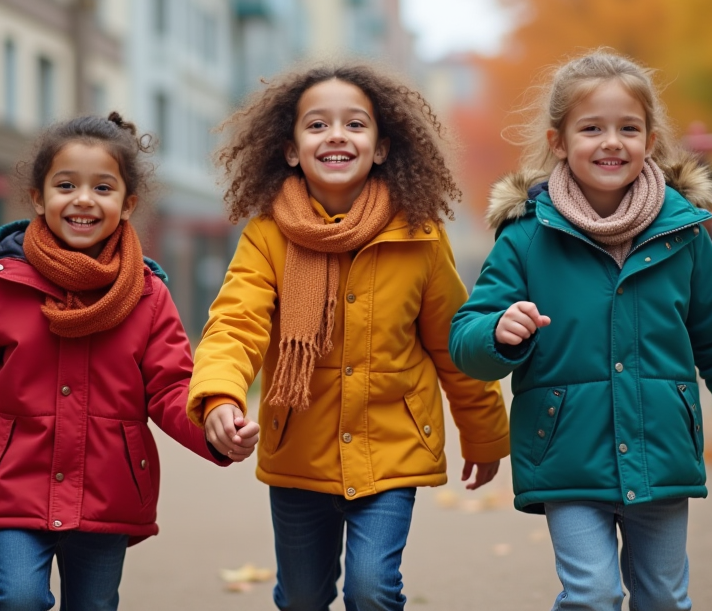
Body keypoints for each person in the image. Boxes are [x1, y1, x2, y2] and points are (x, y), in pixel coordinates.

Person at [449, 49, 712, 611]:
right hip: (567, 455)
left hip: (660, 452)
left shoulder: (683, 236)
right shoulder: (526, 239)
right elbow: (467, 338)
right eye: (592, 129)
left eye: (628, 128)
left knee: (662, 596)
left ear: (650, 139)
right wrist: (498, 332)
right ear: (559, 141)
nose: (612, 142)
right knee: (593, 594)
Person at [0, 113, 257, 611]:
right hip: (17, 480)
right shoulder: (2, 286)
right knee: (19, 597)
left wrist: (214, 426)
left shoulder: (147, 297)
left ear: (127, 204)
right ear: (40, 198)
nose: (84, 199)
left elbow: (172, 387)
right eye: (66, 185)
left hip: (109, 490)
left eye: (103, 188)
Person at [187, 64, 511, 611]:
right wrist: (220, 393)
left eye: (354, 124)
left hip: (391, 449)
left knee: (372, 589)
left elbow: (453, 345)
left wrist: (483, 434)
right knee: (303, 597)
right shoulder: (267, 236)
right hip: (299, 453)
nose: (336, 135)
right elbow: (236, 322)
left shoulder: (419, 236)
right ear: (290, 149)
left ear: (381, 147)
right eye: (317, 125)